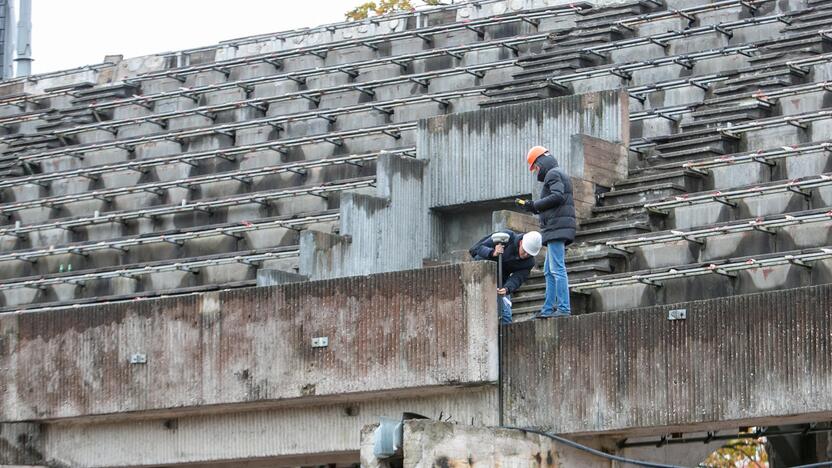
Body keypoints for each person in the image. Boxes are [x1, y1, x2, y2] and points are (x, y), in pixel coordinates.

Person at [517, 146, 576, 319]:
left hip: (557, 228)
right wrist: (531, 206)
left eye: (535, 167)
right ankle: (548, 309)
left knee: (557, 269)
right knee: (548, 271)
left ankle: (563, 308)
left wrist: (534, 205)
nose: (535, 171)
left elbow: (557, 196)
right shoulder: (557, 173)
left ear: (540, 162)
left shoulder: (553, 174)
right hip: (556, 227)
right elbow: (554, 202)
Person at [469, 229, 542, 324]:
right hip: (481, 274)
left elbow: (518, 278)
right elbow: (476, 248)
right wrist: (492, 253)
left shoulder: (529, 262)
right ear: (521, 242)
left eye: (529, 254)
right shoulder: (505, 237)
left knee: (506, 315)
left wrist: (507, 288)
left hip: (501, 281)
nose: (526, 255)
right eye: (525, 251)